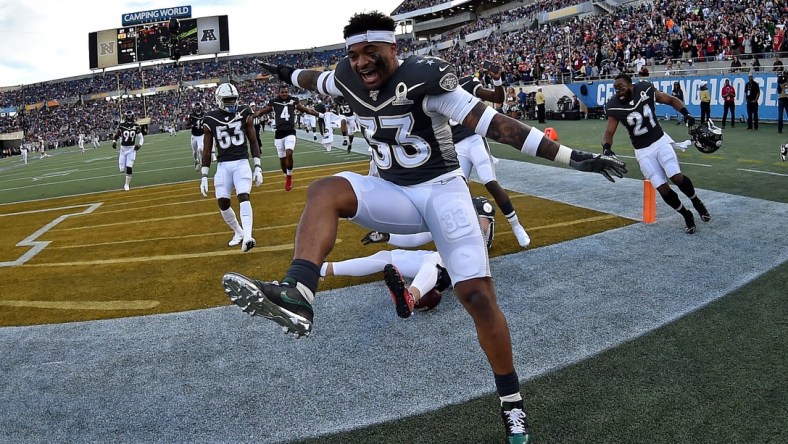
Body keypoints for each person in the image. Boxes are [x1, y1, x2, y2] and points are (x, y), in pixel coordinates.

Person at [223, 12, 626, 444]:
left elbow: (501, 127)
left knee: (476, 297)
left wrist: (575, 158)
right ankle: (298, 293)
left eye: (370, 52)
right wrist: (284, 72)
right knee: (325, 190)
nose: (361, 62)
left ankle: (511, 401)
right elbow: (315, 79)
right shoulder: (346, 75)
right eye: (354, 55)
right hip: (392, 193)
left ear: (393, 47)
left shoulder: (426, 77)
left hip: (441, 190)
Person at [323, 196, 497, 314]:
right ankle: (324, 269)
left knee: (433, 259)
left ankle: (410, 297)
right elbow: (416, 238)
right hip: (444, 264)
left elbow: (482, 225)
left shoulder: (479, 222)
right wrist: (387, 236)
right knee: (386, 257)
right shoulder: (455, 220)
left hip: (463, 271)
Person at [602, 73, 710, 234]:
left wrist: (685, 113)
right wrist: (606, 148)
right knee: (662, 188)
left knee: (676, 177)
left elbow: (672, 100)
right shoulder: (613, 106)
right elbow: (609, 132)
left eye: (621, 87)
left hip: (660, 141)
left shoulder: (645, 88)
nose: (618, 91)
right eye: (615, 88)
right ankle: (685, 214)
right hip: (642, 151)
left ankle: (696, 201)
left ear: (631, 85)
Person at [453, 66, 531, 247]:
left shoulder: (465, 83)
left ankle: (516, 225)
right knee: (456, 190)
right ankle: (464, 232)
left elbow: (497, 98)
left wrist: (497, 80)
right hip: (456, 145)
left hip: (474, 139)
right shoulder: (433, 93)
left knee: (490, 182)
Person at [200, 83, 263, 252]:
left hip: (241, 162)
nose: (231, 103)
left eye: (233, 100)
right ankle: (239, 232)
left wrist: (257, 166)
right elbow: (207, 149)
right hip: (223, 165)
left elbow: (253, 140)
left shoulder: (244, 112)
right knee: (222, 202)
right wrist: (204, 175)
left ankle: (248, 236)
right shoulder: (210, 118)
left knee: (243, 196)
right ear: (219, 100)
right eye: (227, 100)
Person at [252, 84, 322, 191]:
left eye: (286, 92)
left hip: (290, 132)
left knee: (289, 153)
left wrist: (321, 116)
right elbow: (262, 112)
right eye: (282, 92)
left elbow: (307, 110)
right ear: (278, 93)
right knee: (282, 160)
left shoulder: (293, 101)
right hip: (279, 134)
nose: (284, 94)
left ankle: (289, 177)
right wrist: (252, 115)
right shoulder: (274, 102)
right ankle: (286, 175)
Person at [112, 110, 144, 191]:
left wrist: (139, 145)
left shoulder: (136, 126)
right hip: (123, 150)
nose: (129, 118)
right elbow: (116, 135)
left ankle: (126, 184)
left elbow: (141, 138)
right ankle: (124, 174)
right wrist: (114, 141)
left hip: (131, 149)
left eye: (130, 116)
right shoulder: (122, 125)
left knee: (129, 166)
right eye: (128, 116)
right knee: (122, 170)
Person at [186, 102, 205, 171]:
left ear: (200, 107)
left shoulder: (204, 114)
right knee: (194, 152)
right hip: (194, 135)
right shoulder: (192, 115)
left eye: (198, 106)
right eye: (196, 107)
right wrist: (191, 125)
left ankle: (201, 162)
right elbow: (186, 126)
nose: (197, 108)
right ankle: (196, 161)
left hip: (201, 135)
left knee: (200, 149)